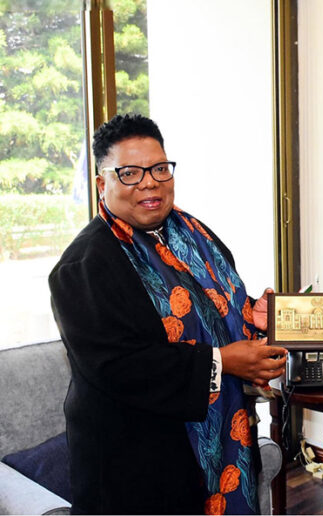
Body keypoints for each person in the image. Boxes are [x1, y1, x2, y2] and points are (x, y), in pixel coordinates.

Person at [49, 114, 287, 515]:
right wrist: (223, 362)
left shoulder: (195, 234)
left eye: (160, 168)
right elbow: (119, 366)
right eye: (129, 173)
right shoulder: (84, 266)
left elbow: (213, 308)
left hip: (225, 437)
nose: (149, 182)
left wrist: (252, 318)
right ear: (102, 184)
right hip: (139, 465)